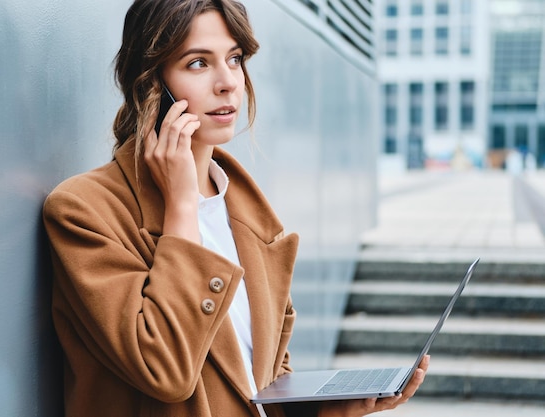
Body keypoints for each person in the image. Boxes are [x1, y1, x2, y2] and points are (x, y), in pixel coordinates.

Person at [42, 1, 429, 416]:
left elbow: (259, 384)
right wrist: (181, 206)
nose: (228, 82)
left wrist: (328, 411)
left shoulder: (250, 216)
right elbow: (165, 369)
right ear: (151, 83)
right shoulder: (84, 213)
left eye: (234, 58)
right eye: (197, 64)